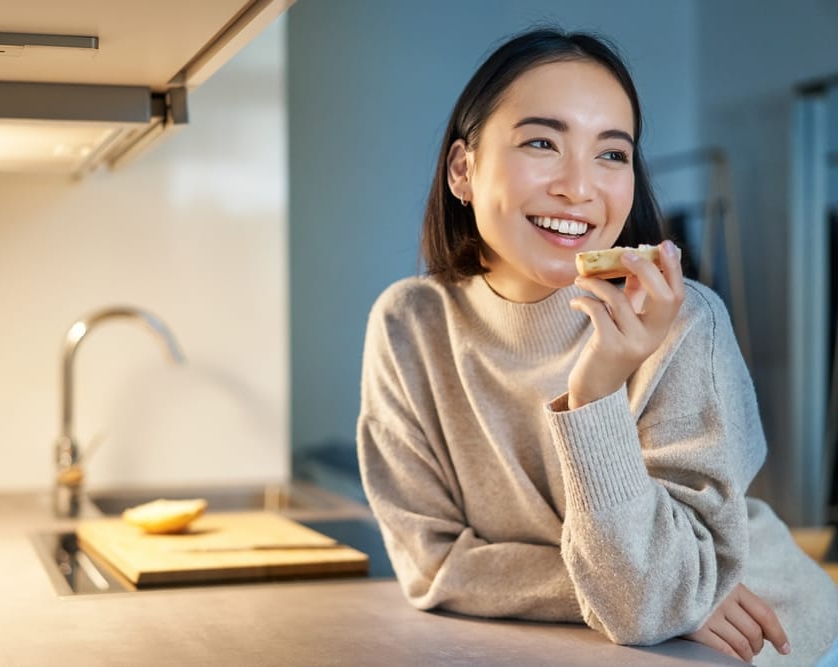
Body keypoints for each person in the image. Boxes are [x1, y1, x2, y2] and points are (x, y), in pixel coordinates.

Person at [356, 27, 838, 666]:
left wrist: (596, 390)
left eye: (612, 155)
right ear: (462, 171)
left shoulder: (686, 320)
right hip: (634, 630)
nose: (578, 187)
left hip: (756, 636)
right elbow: (433, 565)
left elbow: (648, 604)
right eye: (541, 143)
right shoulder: (409, 325)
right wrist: (671, 592)